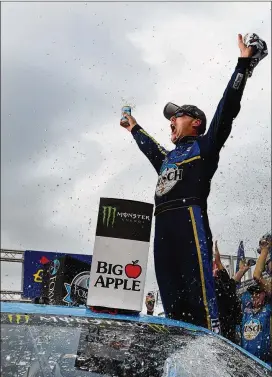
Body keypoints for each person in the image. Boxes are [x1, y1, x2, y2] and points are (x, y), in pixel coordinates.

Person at [120, 34, 268, 331]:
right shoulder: (168, 157)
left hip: (189, 219)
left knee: (199, 303)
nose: (171, 121)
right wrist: (134, 127)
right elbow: (150, 147)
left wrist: (243, 65)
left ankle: (212, 349)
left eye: (177, 116)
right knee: (174, 307)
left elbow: (228, 108)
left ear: (196, 122)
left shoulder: (206, 145)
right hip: (162, 226)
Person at [213, 240, 249, 343]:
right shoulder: (227, 286)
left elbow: (219, 263)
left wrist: (243, 270)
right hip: (230, 326)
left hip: (225, 326)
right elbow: (235, 278)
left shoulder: (219, 287)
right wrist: (243, 270)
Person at [241, 283, 271, 365]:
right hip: (247, 363)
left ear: (264, 294)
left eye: (258, 293)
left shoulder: (268, 310)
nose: (254, 295)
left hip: (265, 363)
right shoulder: (246, 311)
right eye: (252, 293)